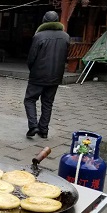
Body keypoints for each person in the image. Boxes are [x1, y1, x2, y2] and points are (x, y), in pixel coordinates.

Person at [24, 11, 70, 139]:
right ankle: (44, 130)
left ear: (44, 20)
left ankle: (33, 126)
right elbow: (65, 56)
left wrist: (32, 70)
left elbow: (31, 57)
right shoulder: (65, 37)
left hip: (38, 75)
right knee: (48, 102)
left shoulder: (39, 36)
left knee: (30, 99)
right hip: (55, 76)